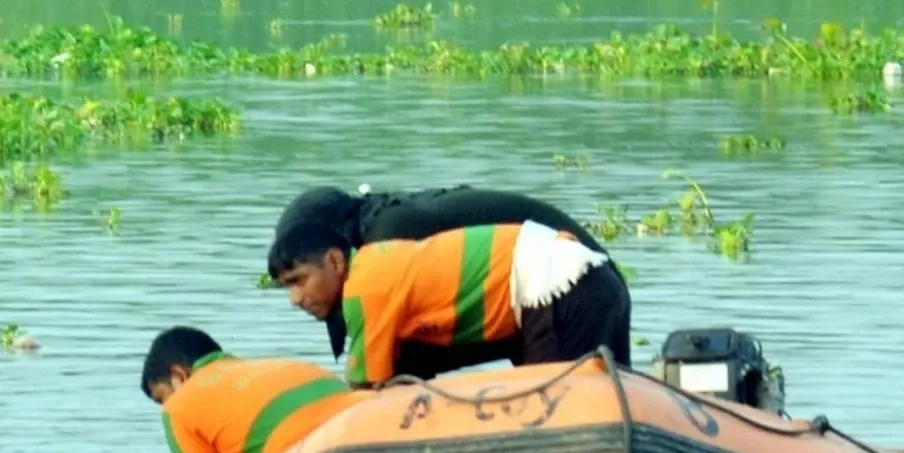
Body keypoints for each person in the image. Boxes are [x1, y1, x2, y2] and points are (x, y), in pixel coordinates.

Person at [269, 185, 632, 378]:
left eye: (300, 279)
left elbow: (385, 371)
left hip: (562, 284)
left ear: (332, 252)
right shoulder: (379, 236)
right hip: (548, 287)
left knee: (562, 411)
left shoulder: (385, 245)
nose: (296, 298)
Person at [140, 325, 367, 453]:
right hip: (369, 422)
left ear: (179, 376)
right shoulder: (284, 365)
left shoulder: (178, 408)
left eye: (162, 397)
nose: (165, 406)